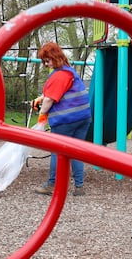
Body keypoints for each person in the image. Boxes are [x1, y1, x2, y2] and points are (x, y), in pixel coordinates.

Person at [31, 42, 92, 197]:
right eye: (44, 61)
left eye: (47, 60)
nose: (46, 64)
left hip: (66, 120)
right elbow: (61, 93)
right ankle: (79, 186)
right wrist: (43, 98)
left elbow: (50, 100)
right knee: (76, 152)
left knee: (57, 152)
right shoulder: (70, 71)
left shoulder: (59, 75)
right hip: (83, 117)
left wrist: (41, 112)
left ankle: (52, 184)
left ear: (55, 57)